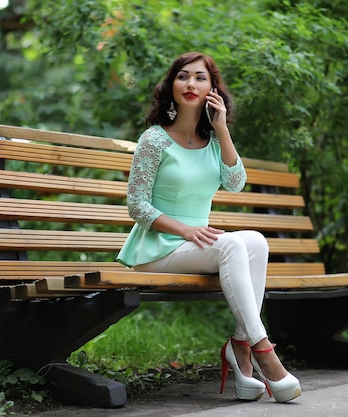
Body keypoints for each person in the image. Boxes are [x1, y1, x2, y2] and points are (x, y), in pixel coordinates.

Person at [116, 51, 301, 403]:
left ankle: (240, 346)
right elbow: (136, 205)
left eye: (200, 77)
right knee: (232, 244)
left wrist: (222, 127)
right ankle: (263, 350)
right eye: (183, 76)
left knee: (256, 242)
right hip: (156, 249)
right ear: (170, 86)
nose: (190, 84)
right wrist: (186, 230)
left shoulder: (215, 141)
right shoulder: (154, 139)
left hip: (195, 249)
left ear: (212, 89)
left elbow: (236, 183)